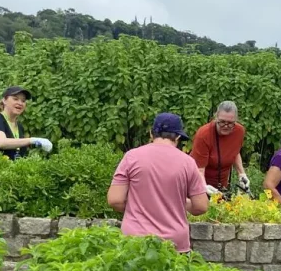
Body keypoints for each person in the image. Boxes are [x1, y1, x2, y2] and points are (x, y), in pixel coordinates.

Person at [106, 113, 208, 252]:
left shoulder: (132, 157)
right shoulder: (188, 162)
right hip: (174, 244)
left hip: (135, 241)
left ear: (151, 133)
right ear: (178, 137)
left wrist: (140, 208)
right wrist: (176, 203)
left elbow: (114, 200)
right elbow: (201, 206)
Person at [190, 101, 249, 195]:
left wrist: (241, 174)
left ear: (236, 120)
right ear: (216, 118)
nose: (226, 126)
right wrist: (203, 187)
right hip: (200, 182)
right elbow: (199, 169)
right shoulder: (204, 134)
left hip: (222, 184)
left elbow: (235, 152)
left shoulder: (239, 131)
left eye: (230, 123)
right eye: (222, 122)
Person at [0, 86, 52, 160]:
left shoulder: (19, 126)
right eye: (15, 99)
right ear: (4, 100)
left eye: (23, 101)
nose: (20, 103)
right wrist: (31, 140)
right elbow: (1, 143)